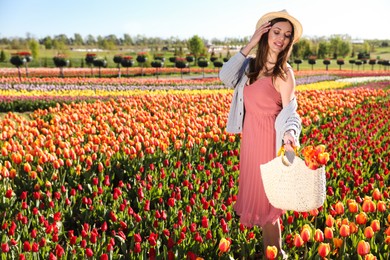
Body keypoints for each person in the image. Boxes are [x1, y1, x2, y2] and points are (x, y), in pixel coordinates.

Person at [219, 10, 303, 259]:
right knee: (258, 195)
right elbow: (224, 77)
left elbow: (291, 112)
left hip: (270, 140)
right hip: (251, 138)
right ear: (266, 32)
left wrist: (290, 133)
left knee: (269, 203)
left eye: (287, 35)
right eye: (276, 32)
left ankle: (276, 254)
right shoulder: (249, 66)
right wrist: (251, 43)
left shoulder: (284, 73)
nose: (281, 39)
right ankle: (270, 252)